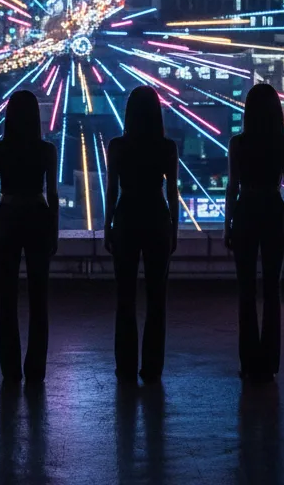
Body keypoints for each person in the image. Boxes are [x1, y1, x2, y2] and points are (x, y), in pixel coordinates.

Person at [103, 85, 179, 383]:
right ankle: (152, 367)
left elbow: (111, 191)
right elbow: (171, 192)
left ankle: (125, 365)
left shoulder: (118, 146)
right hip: (157, 217)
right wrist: (174, 228)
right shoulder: (167, 147)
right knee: (157, 298)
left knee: (125, 297)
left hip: (126, 215)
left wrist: (108, 225)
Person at [223, 83, 284, 383]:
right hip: (273, 210)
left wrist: (227, 224)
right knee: (272, 290)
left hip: (246, 210)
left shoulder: (238, 144)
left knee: (246, 290)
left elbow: (231, 188)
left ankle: (248, 360)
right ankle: (270, 362)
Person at [0, 90, 59, 383]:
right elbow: (52, 194)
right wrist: (54, 231)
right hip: (38, 217)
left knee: (7, 297)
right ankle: (36, 369)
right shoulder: (47, 150)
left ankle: (10, 369)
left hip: (7, 217)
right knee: (39, 298)